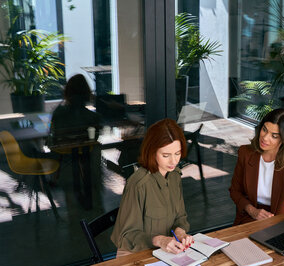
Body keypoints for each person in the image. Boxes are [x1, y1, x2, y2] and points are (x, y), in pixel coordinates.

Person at [111, 118, 194, 255]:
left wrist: (180, 231)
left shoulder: (174, 176)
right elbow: (126, 236)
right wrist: (160, 240)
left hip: (165, 252)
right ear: (152, 151)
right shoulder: (138, 184)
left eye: (177, 153)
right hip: (135, 254)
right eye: (166, 155)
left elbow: (180, 217)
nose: (174, 161)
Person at [229, 108, 284, 225]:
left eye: (274, 136)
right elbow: (235, 191)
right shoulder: (245, 153)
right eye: (264, 130)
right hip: (251, 217)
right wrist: (253, 211)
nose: (265, 137)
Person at [49, 74, 101, 142]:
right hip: (85, 151)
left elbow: (53, 138)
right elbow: (95, 139)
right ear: (86, 93)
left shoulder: (58, 113)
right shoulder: (93, 117)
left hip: (61, 151)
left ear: (67, 93)